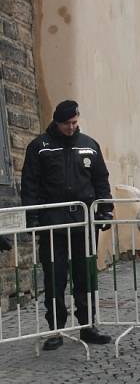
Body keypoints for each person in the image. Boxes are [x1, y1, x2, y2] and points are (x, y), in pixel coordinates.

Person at [21, 100, 113, 350]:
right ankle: (55, 330)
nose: (72, 127)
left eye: (74, 122)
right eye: (66, 124)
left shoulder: (89, 146)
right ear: (57, 122)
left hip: (84, 223)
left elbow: (101, 180)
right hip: (53, 225)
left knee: (85, 276)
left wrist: (106, 210)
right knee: (55, 278)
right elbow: (30, 184)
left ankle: (87, 325)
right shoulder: (40, 147)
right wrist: (33, 219)